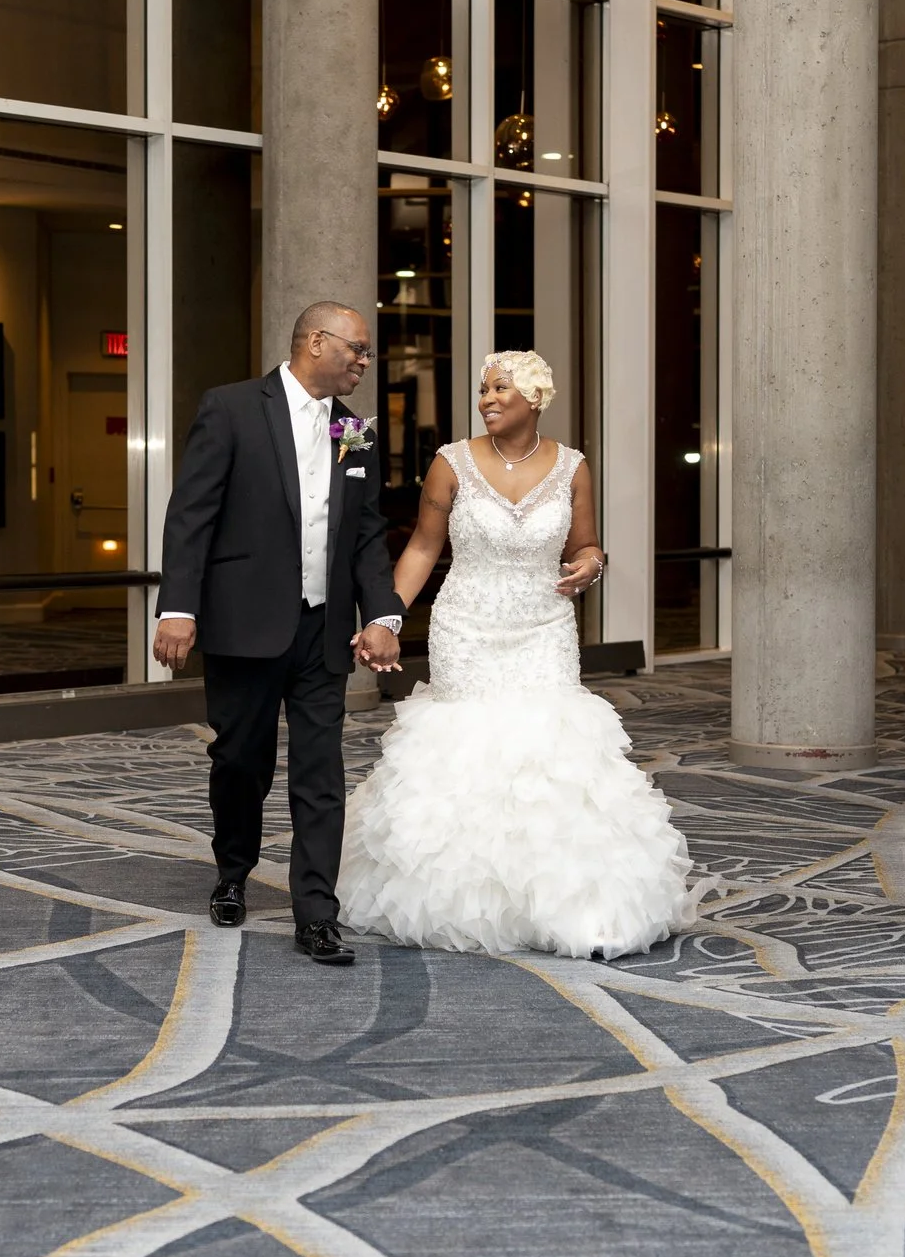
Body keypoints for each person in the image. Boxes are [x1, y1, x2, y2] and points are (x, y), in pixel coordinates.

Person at [337, 351, 697, 960]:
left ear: (535, 398)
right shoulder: (450, 463)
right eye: (483, 390)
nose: (487, 399)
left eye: (501, 388)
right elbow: (424, 548)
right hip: (467, 627)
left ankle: (567, 903)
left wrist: (589, 566)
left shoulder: (574, 467)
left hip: (544, 629)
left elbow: (587, 547)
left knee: (550, 751)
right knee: (470, 748)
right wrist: (384, 618)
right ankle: (460, 898)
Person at [153, 302, 405, 966]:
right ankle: (232, 871)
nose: (363, 359)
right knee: (241, 760)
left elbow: (368, 532)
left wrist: (383, 613)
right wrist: (177, 605)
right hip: (244, 622)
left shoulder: (356, 430)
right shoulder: (232, 407)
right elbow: (191, 514)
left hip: (323, 630)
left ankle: (317, 913)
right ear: (316, 341)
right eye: (355, 347)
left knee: (320, 772)